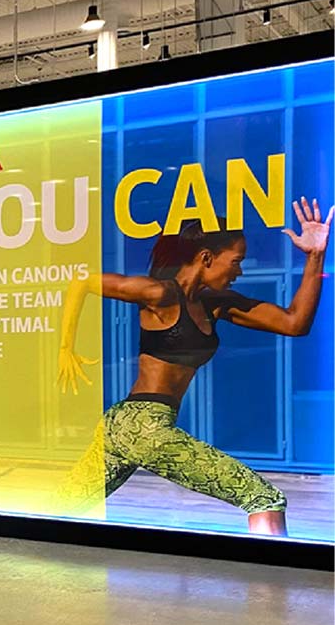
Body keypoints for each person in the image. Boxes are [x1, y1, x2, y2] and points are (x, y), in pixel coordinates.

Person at [57, 198, 331, 536]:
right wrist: (66, 348)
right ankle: (271, 589)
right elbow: (81, 282)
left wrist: (315, 256)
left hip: (123, 425)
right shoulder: (159, 293)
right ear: (206, 258)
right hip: (145, 427)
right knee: (264, 498)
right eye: (236, 261)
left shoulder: (216, 304)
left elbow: (294, 323)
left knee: (64, 507)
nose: (239, 271)